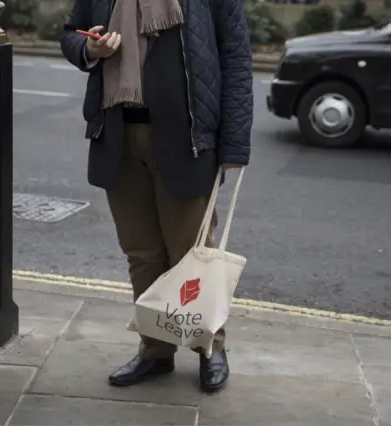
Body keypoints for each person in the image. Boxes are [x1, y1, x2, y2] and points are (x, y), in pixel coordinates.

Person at [60, 0, 253, 393]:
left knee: (191, 256)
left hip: (186, 141)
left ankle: (209, 347)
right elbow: (71, 33)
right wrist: (88, 49)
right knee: (142, 254)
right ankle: (156, 349)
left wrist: (233, 146)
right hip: (118, 133)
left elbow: (235, 60)